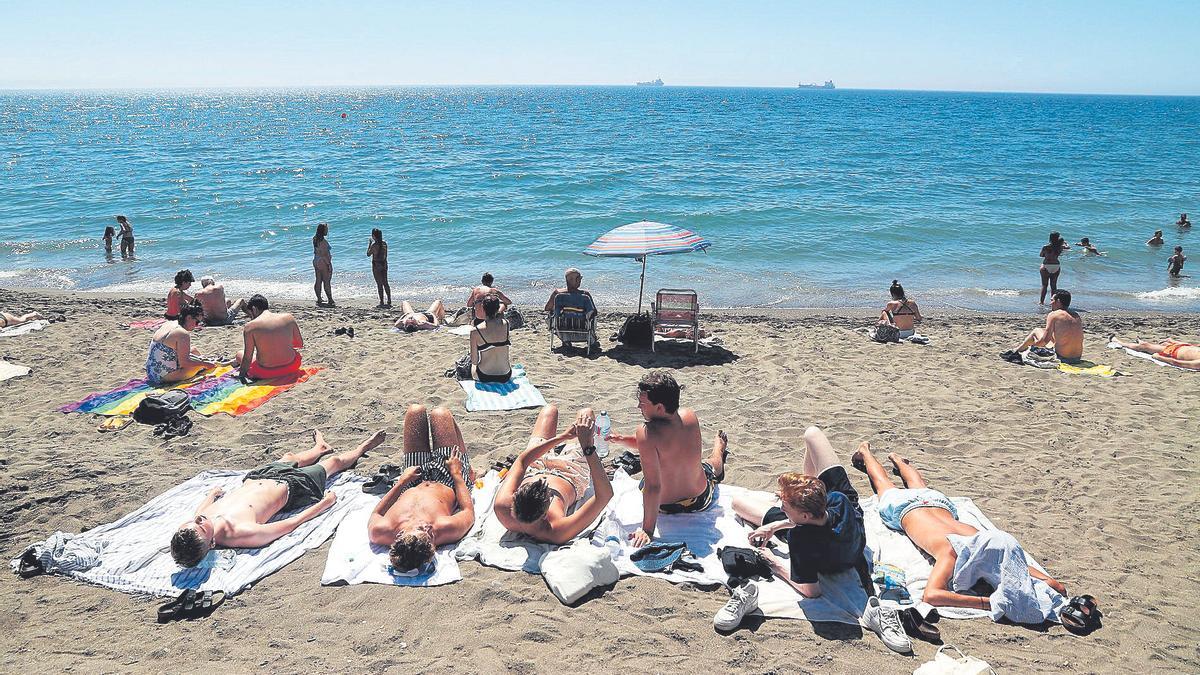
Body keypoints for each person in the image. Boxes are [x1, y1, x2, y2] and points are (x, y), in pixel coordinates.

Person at [850, 444, 1091, 627]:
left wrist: (1053, 589)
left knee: (908, 486)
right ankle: (877, 456)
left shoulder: (983, 548)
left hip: (933, 506)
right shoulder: (952, 552)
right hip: (914, 507)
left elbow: (1049, 583)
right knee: (886, 485)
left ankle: (886, 457)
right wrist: (988, 603)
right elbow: (931, 595)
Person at [722, 427, 910, 652]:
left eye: (785, 507)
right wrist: (777, 524)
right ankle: (802, 492)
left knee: (738, 504)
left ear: (803, 516)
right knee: (812, 433)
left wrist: (772, 561)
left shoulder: (801, 539)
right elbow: (814, 516)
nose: (780, 507)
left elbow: (812, 591)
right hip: (849, 535)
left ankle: (798, 497)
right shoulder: (838, 501)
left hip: (830, 553)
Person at [170, 429, 384, 567]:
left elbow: (199, 513)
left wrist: (211, 495)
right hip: (292, 487)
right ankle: (362, 448)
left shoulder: (198, 523)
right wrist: (323, 504)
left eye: (189, 525)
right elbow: (291, 524)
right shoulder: (242, 533)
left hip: (259, 477)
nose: (198, 520)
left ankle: (319, 448)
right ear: (211, 544)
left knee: (290, 457)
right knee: (334, 463)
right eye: (200, 527)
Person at [607, 371, 729, 548]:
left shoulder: (646, 432)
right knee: (708, 466)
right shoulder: (689, 416)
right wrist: (623, 440)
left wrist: (647, 530)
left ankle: (718, 448)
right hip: (700, 499)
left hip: (664, 506)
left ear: (659, 408)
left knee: (644, 482)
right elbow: (662, 445)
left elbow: (653, 486)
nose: (638, 407)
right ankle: (719, 448)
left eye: (642, 403)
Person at [368, 405, 475, 573]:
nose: (427, 528)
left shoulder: (380, 532)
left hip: (411, 480)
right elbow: (467, 510)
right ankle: (469, 469)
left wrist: (402, 481)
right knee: (440, 413)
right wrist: (457, 473)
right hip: (446, 479)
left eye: (421, 529)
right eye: (429, 535)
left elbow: (376, 513)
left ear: (399, 537)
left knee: (415, 411)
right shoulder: (445, 529)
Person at [493, 405, 614, 544]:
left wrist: (563, 437)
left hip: (535, 466)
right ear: (545, 514)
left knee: (549, 411)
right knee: (586, 415)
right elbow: (605, 494)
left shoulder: (503, 507)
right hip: (571, 472)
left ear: (514, 501)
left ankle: (565, 439)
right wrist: (587, 447)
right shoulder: (557, 530)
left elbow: (522, 461)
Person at [146, 305, 229, 385]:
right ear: (188, 317)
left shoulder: (170, 323)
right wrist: (204, 364)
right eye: (197, 322)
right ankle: (211, 363)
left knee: (194, 351)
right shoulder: (182, 333)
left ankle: (207, 362)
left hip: (151, 371)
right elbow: (184, 363)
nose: (197, 325)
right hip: (161, 376)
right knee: (199, 366)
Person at [1002, 289, 1083, 364]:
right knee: (1045, 331)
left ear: (1058, 301)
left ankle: (1017, 350)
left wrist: (1032, 347)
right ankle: (1018, 349)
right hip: (1077, 358)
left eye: (1052, 300)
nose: (1050, 303)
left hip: (1063, 358)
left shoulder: (1054, 315)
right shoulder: (1076, 315)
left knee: (1036, 331)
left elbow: (1045, 340)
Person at [234, 294, 303, 381]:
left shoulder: (250, 326)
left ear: (254, 309)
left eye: (250, 314)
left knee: (239, 354)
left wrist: (241, 375)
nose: (251, 317)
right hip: (292, 366)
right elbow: (299, 344)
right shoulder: (289, 317)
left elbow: (248, 357)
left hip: (266, 372)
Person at [470, 295, 511, 383]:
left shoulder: (475, 331)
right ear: (498, 308)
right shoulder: (506, 324)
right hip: (506, 374)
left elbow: (474, 360)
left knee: (472, 366)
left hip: (485, 375)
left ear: (483, 308)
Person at [1110, 336, 1200, 370]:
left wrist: (1159, 358)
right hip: (1181, 346)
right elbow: (1193, 347)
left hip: (1172, 351)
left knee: (1145, 346)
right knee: (1152, 346)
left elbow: (1178, 363)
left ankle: (1118, 342)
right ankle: (1170, 341)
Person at [1038, 232, 1068, 305]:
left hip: (1046, 265)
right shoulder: (1060, 247)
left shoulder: (1046, 247)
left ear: (1050, 238)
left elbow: (1041, 255)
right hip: (1056, 266)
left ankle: (1041, 302)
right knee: (1053, 286)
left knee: (1044, 285)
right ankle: (1053, 302)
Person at [366, 228, 391, 308]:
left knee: (379, 284)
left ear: (374, 236)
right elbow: (385, 255)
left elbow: (368, 254)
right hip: (384, 264)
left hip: (376, 265)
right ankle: (389, 300)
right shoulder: (384, 244)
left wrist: (369, 244)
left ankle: (381, 301)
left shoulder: (374, 245)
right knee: (385, 283)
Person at [312, 222, 334, 306]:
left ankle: (319, 298)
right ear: (323, 231)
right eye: (326, 230)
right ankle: (330, 299)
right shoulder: (323, 242)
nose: (327, 231)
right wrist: (329, 265)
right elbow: (325, 255)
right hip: (323, 262)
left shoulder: (315, 239)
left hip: (316, 260)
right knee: (326, 281)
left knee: (318, 280)